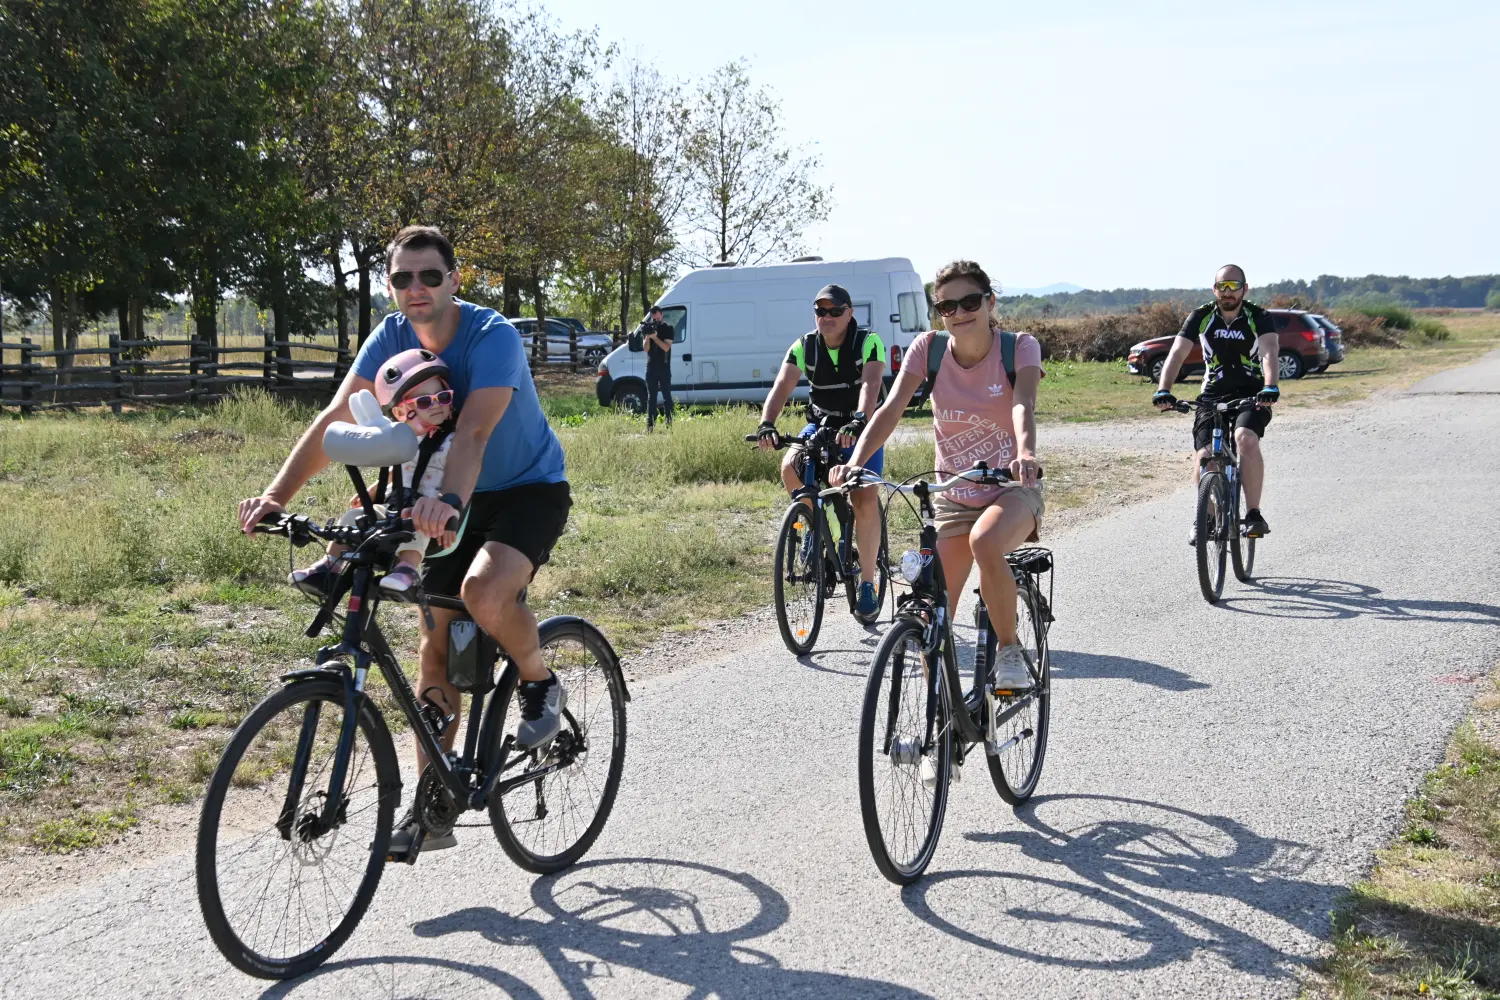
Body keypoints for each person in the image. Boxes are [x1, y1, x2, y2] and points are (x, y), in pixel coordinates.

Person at [237, 225, 572, 857]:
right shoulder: (390, 335)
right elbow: (338, 421)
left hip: (523, 487)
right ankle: (433, 804)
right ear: (390, 285)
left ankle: (537, 678)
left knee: (485, 593)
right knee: (434, 644)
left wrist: (445, 505)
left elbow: (471, 434)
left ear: (454, 278)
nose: (415, 289)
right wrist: (277, 497)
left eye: (429, 276)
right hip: (432, 493)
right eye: (401, 278)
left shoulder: (491, 336)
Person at [831, 261, 1043, 690]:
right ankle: (938, 720)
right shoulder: (926, 349)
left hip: (1010, 488)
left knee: (985, 543)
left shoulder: (1019, 347)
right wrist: (856, 463)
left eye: (969, 301)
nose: (959, 313)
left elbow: (1022, 402)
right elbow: (890, 409)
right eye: (947, 306)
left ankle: (1009, 650)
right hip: (952, 496)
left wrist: (1025, 453)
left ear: (989, 302)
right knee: (933, 609)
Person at [757, 283, 886, 622]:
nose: (826, 317)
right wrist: (767, 423)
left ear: (849, 313)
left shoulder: (868, 342)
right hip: (822, 423)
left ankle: (868, 584)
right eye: (820, 311)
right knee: (789, 466)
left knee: (864, 496)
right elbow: (782, 385)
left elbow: (871, 385)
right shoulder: (804, 346)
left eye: (834, 311)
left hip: (862, 424)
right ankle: (822, 531)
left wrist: (859, 420)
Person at [287, 349, 460, 596]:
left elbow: (460, 478)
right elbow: (397, 469)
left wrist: (450, 512)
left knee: (416, 525)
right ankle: (330, 567)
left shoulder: (453, 441)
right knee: (354, 517)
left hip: (428, 510)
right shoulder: (403, 437)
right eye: (424, 401)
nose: (436, 405)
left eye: (442, 397)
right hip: (393, 504)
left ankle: (407, 570)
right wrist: (376, 489)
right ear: (401, 412)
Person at [1151, 264, 1280, 544]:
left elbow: (1269, 352)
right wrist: (1164, 389)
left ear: (1245, 289)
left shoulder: (1259, 316)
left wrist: (1270, 385)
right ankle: (1206, 518)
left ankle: (1254, 513)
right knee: (1205, 455)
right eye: (1222, 286)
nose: (1228, 292)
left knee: (1245, 438)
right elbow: (1177, 353)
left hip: (1254, 393)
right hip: (1212, 395)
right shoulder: (1201, 316)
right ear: (1214, 289)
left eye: (1234, 286)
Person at [641, 305, 675, 431]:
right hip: (651, 368)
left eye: (658, 318)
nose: (656, 320)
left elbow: (666, 347)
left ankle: (669, 423)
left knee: (667, 396)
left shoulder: (668, 329)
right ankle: (650, 425)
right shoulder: (649, 328)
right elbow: (645, 349)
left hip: (664, 367)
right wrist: (648, 337)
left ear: (662, 315)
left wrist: (656, 337)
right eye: (654, 318)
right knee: (651, 398)